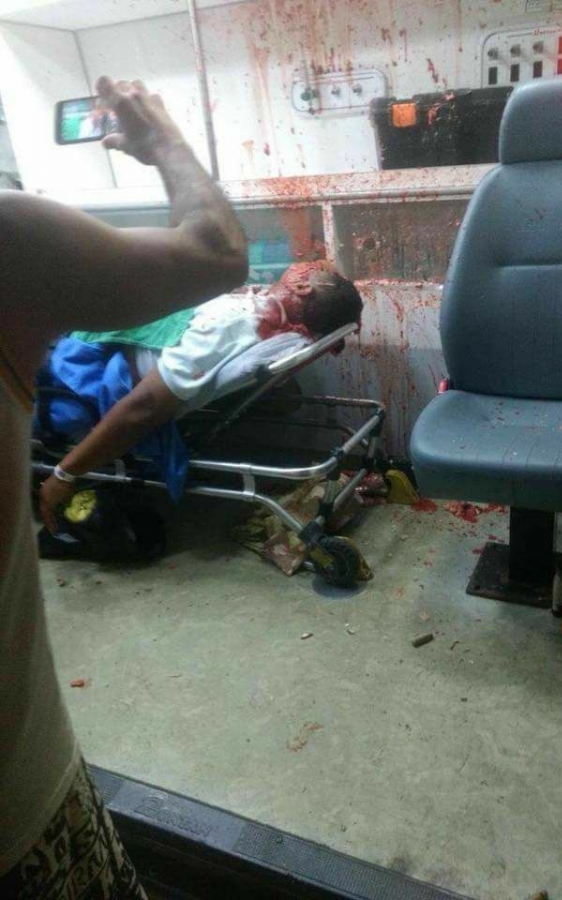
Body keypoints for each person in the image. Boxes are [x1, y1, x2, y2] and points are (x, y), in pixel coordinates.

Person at [0, 76, 248, 898]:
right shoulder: (12, 240)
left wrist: (68, 469)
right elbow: (219, 250)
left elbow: (146, 402)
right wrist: (162, 139)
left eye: (304, 288)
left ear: (296, 316)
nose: (289, 285)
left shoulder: (240, 323)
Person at [37, 260, 363, 530]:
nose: (302, 263)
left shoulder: (231, 325)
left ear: (302, 287)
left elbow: (144, 407)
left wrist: (64, 474)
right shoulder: (264, 313)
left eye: (311, 268)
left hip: (83, 372)